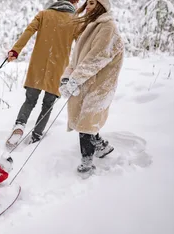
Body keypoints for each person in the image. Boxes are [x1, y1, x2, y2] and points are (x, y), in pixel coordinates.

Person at [59, 0, 124, 174]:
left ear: (101, 6)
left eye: (92, 3)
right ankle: (102, 147)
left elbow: (96, 58)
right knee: (84, 120)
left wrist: (75, 79)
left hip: (100, 85)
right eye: (87, 3)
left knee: (86, 124)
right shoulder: (91, 27)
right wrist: (66, 78)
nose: (87, 6)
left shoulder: (108, 27)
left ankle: (86, 165)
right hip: (86, 82)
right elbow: (76, 60)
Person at [6, 0, 80, 149]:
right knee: (48, 105)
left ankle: (19, 125)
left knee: (30, 100)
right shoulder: (75, 21)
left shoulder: (44, 14)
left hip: (38, 66)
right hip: (58, 69)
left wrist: (15, 50)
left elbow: (28, 31)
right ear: (75, 2)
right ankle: (36, 136)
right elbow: (80, 46)